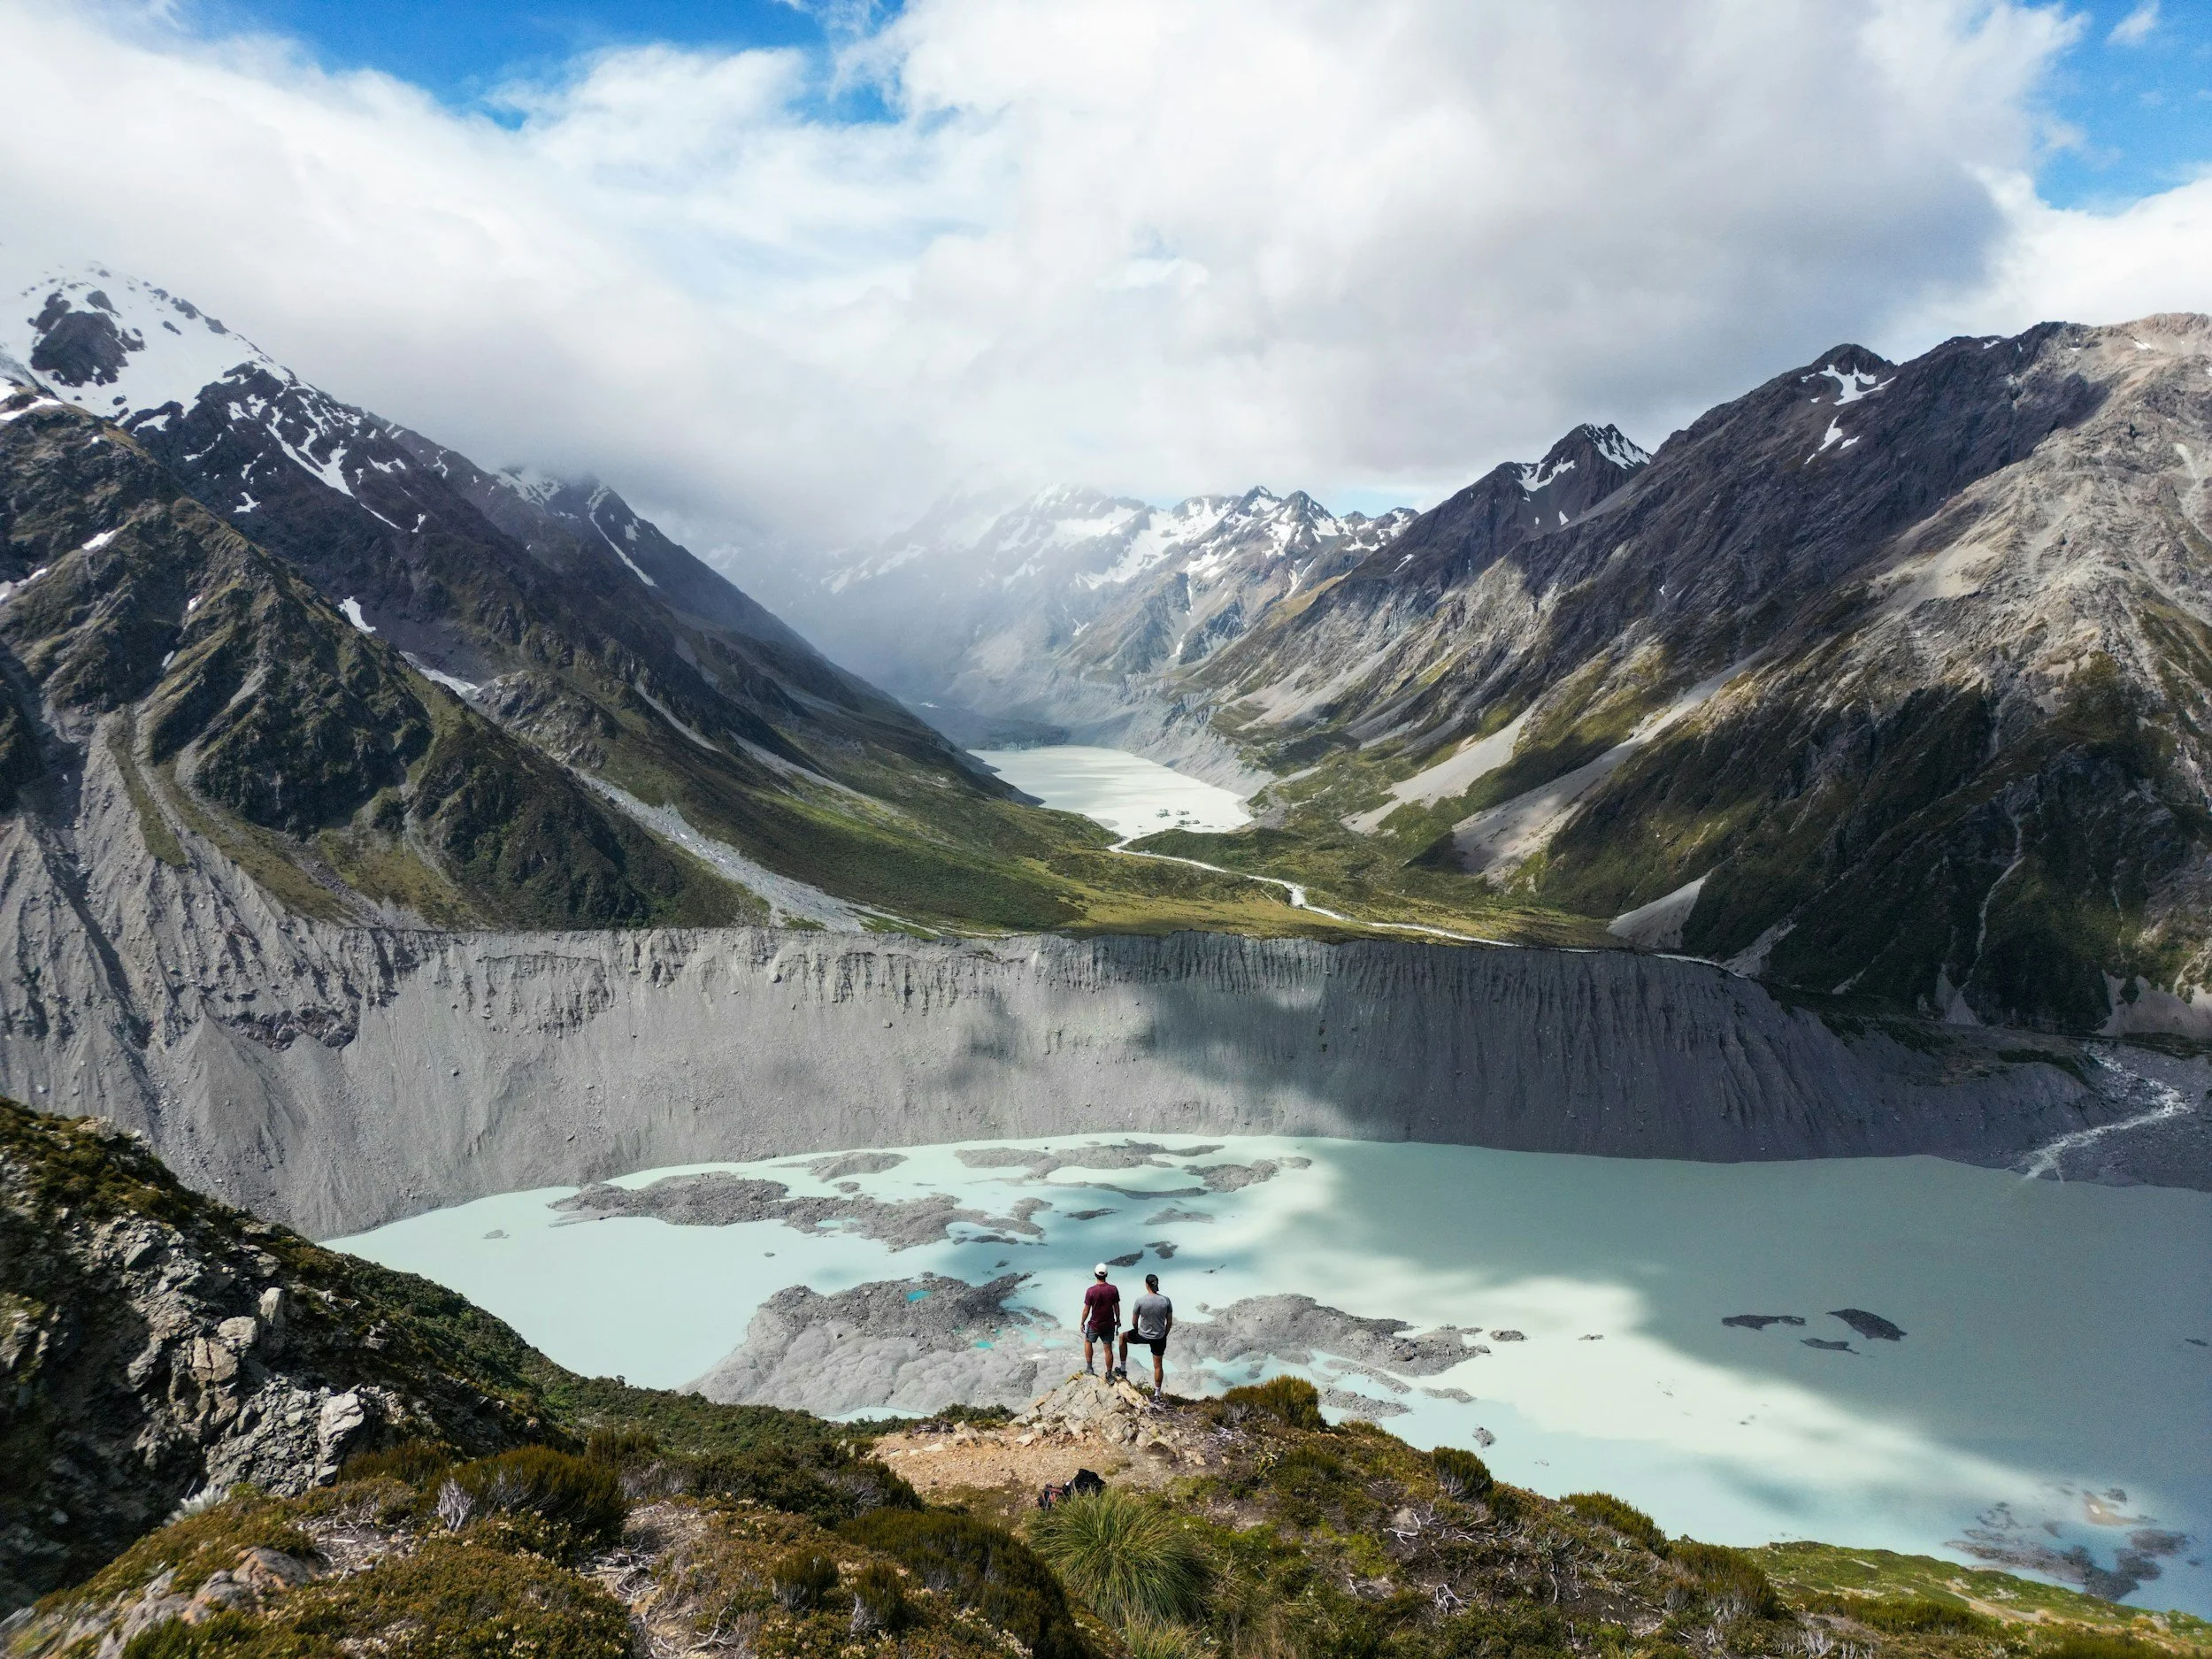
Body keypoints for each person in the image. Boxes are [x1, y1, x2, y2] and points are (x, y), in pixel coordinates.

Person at [1119, 1272, 1174, 1389]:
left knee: (1122, 1337)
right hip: (1159, 1337)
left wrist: (1137, 1331)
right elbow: (1169, 1322)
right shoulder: (1166, 1300)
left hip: (1142, 1335)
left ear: (1146, 1285)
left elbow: (1134, 1321)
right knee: (1158, 1366)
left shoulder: (1140, 1301)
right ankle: (1157, 1394)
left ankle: (1123, 1370)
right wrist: (1164, 1335)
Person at [1079, 1263, 1121, 1375]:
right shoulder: (1113, 1289)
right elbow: (1116, 1307)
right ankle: (1108, 1373)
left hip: (1095, 1324)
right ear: (1106, 1274)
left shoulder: (1091, 1291)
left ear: (1095, 1275)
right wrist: (1118, 1320)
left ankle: (1089, 1368)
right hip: (1109, 1324)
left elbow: (1086, 1310)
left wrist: (1082, 1322)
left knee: (1088, 1341)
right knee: (1108, 1349)